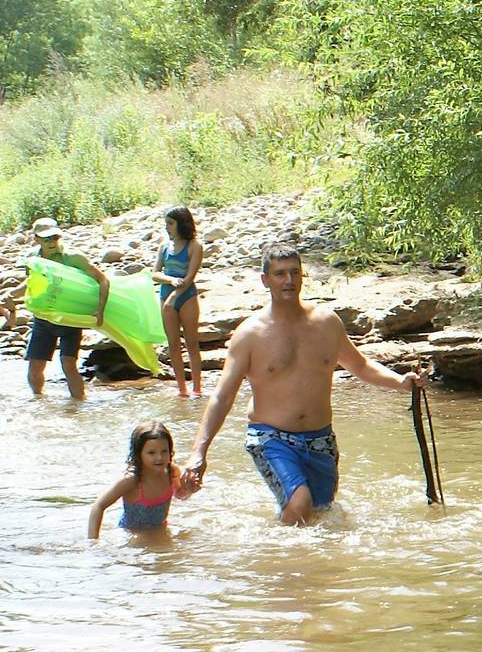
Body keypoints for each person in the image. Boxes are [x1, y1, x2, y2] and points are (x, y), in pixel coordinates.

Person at [176, 243, 425, 525]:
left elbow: (361, 366)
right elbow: (222, 396)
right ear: (265, 280)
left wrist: (401, 382)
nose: (289, 281)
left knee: (320, 513)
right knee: (300, 502)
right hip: (271, 437)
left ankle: (299, 560)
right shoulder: (249, 334)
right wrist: (199, 452)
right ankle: (285, 565)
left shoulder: (326, 323)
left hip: (321, 439)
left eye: (295, 272)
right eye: (280, 274)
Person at [25, 217, 110, 401]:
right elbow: (33, 285)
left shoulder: (72, 258)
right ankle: (39, 403)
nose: (51, 242)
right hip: (44, 318)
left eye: (55, 237)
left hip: (70, 319)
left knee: (68, 364)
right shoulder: (33, 260)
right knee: (34, 369)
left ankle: (79, 406)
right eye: (46, 239)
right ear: (37, 239)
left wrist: (100, 310)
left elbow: (103, 280)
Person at [89, 421, 180, 538]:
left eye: (164, 451)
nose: (159, 457)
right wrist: (93, 542)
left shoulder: (171, 471)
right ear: (139, 454)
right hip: (133, 536)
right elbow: (99, 506)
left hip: (160, 530)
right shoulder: (131, 481)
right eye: (151, 453)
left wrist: (191, 487)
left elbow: (180, 494)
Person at [153, 205, 207, 399]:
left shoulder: (195, 246)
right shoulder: (164, 246)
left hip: (187, 296)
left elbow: (190, 276)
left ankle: (197, 389)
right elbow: (155, 273)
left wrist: (175, 296)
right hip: (166, 293)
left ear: (181, 224)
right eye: (166, 224)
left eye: (170, 224)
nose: (167, 228)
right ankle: (182, 389)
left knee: (192, 343)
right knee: (173, 344)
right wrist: (170, 281)